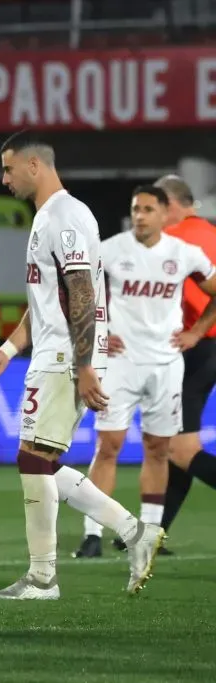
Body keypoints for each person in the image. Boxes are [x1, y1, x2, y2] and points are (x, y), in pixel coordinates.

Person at [0, 131, 163, 599]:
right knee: (39, 459)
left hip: (65, 355)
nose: (4, 178)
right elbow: (47, 300)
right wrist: (8, 350)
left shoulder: (67, 215)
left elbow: (81, 293)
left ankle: (43, 578)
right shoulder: (47, 218)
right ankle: (135, 533)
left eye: (8, 167)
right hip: (52, 351)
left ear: (35, 165)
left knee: (33, 458)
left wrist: (83, 364)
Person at [75, 186, 216, 558]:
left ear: (163, 212)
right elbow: (75, 295)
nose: (140, 216)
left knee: (158, 450)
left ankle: (148, 533)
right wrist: (98, 337)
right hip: (121, 365)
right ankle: (92, 535)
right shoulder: (109, 249)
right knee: (108, 446)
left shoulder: (183, 253)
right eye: (135, 208)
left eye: (148, 209)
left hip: (167, 365)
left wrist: (197, 332)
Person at [154, 175, 216, 544]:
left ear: (170, 205)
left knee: (179, 449)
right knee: (180, 444)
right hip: (207, 348)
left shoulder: (176, 241)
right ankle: (152, 532)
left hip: (201, 349)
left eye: (153, 207)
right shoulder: (209, 232)